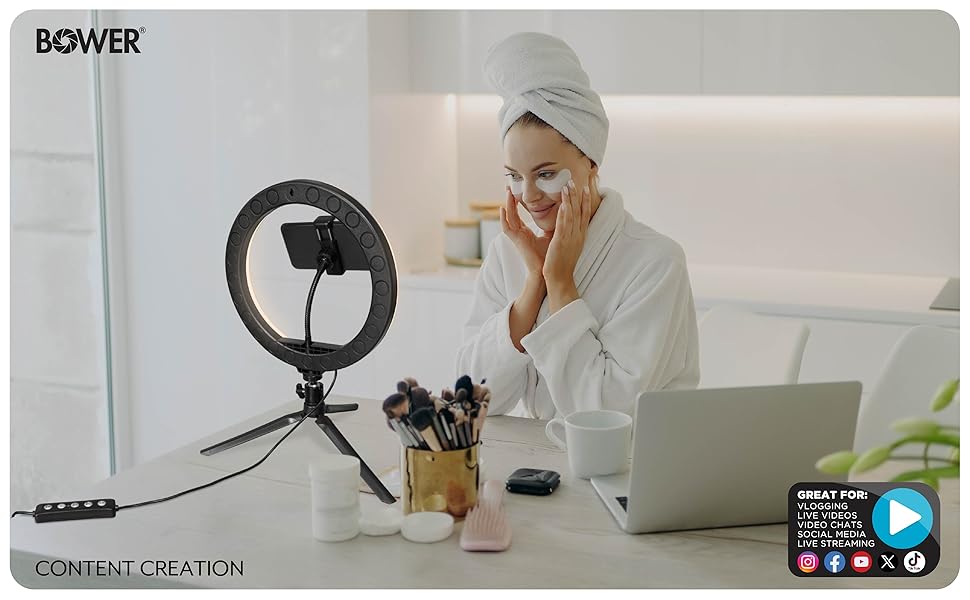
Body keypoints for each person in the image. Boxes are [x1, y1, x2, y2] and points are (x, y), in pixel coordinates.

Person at [455, 32, 700, 420]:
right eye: (514, 177)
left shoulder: (655, 262)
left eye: (547, 173)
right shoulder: (509, 253)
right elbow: (473, 401)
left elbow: (607, 414)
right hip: (537, 465)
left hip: (634, 469)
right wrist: (533, 285)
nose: (529, 196)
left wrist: (561, 283)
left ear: (591, 165)